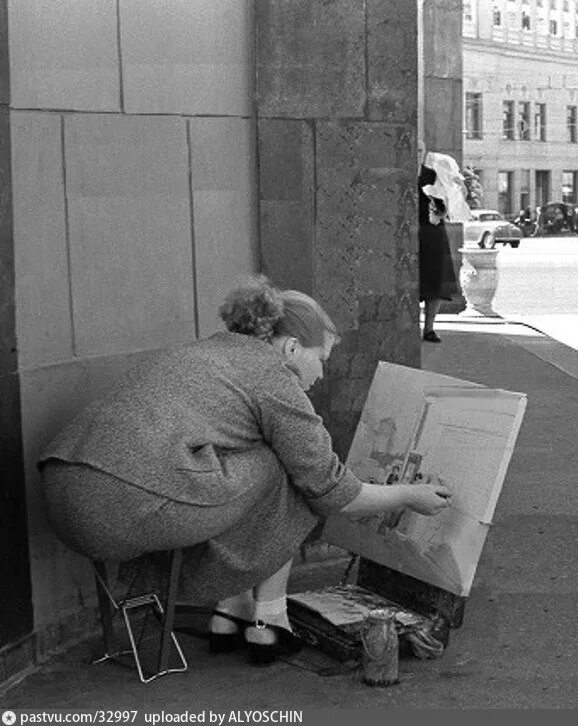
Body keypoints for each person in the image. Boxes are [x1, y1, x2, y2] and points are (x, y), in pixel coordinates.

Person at [38, 278, 453, 665]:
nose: (322, 373)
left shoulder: (208, 352)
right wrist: (410, 495)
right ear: (291, 349)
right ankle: (268, 622)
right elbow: (331, 490)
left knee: (256, 463)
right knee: (292, 470)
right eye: (321, 359)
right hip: (125, 504)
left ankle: (231, 611)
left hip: (61, 492)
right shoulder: (272, 377)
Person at [419, 153, 469, 343]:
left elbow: (454, 202)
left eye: (419, 151)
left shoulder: (435, 175)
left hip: (433, 233)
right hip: (409, 233)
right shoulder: (403, 174)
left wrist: (458, 186)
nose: (415, 155)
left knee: (435, 282)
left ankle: (429, 329)